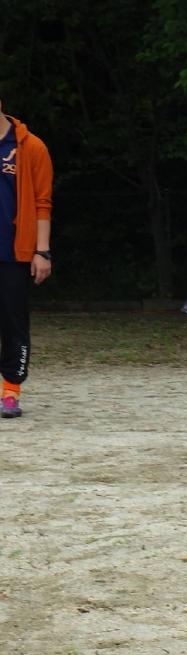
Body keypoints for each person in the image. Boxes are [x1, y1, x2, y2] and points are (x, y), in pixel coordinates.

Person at [0, 94, 53, 419]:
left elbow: (42, 202)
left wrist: (41, 250)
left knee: (13, 323)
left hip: (13, 252)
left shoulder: (31, 146)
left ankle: (10, 390)